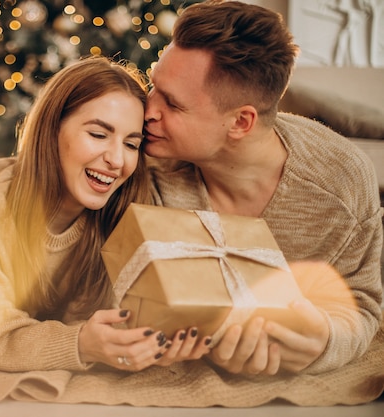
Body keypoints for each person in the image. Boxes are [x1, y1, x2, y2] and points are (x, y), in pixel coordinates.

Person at [0, 56, 210, 373]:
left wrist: (153, 342)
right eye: (98, 135)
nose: (117, 160)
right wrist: (81, 344)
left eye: (131, 143)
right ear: (52, 129)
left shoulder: (133, 207)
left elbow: (125, 318)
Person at [143, 0, 383, 376]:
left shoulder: (343, 184)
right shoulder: (146, 159)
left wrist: (324, 341)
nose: (147, 110)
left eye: (171, 103)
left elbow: (362, 303)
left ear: (241, 121)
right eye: (152, 85)